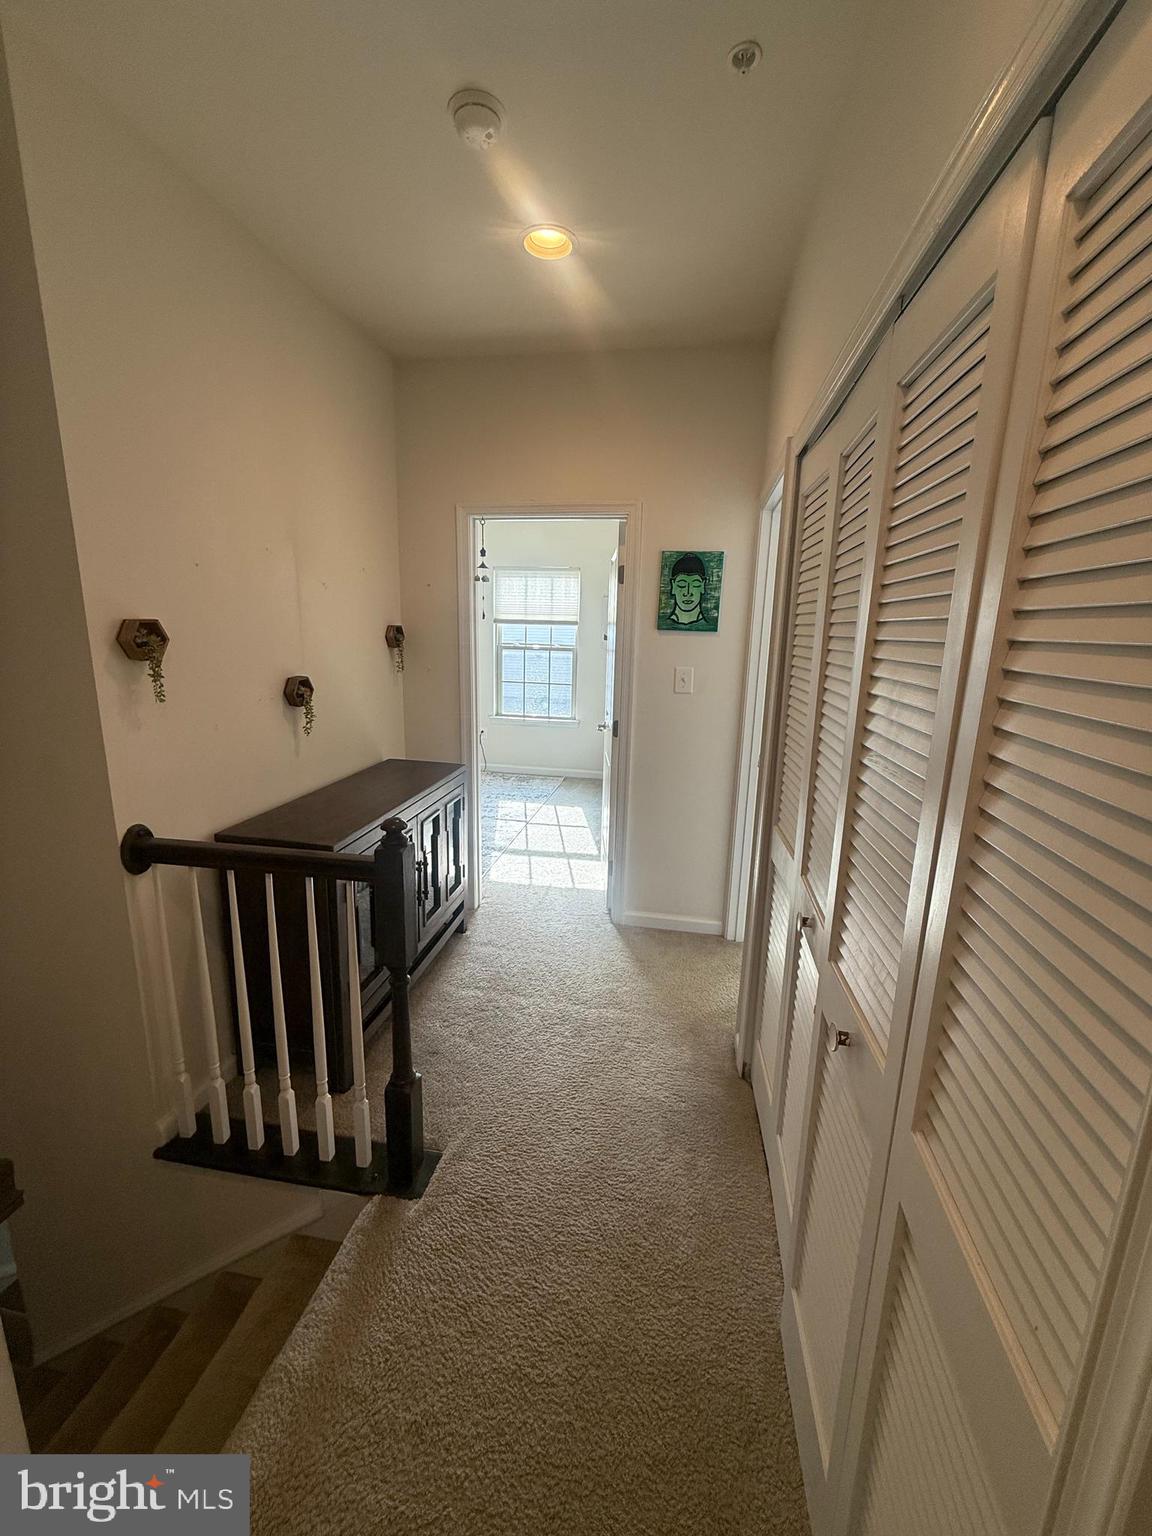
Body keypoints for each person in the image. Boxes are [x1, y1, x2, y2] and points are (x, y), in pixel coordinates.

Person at [666, 553, 710, 628]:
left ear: (703, 585)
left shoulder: (707, 626)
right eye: (682, 584)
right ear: (673, 586)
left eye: (695, 584)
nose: (688, 592)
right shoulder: (666, 624)